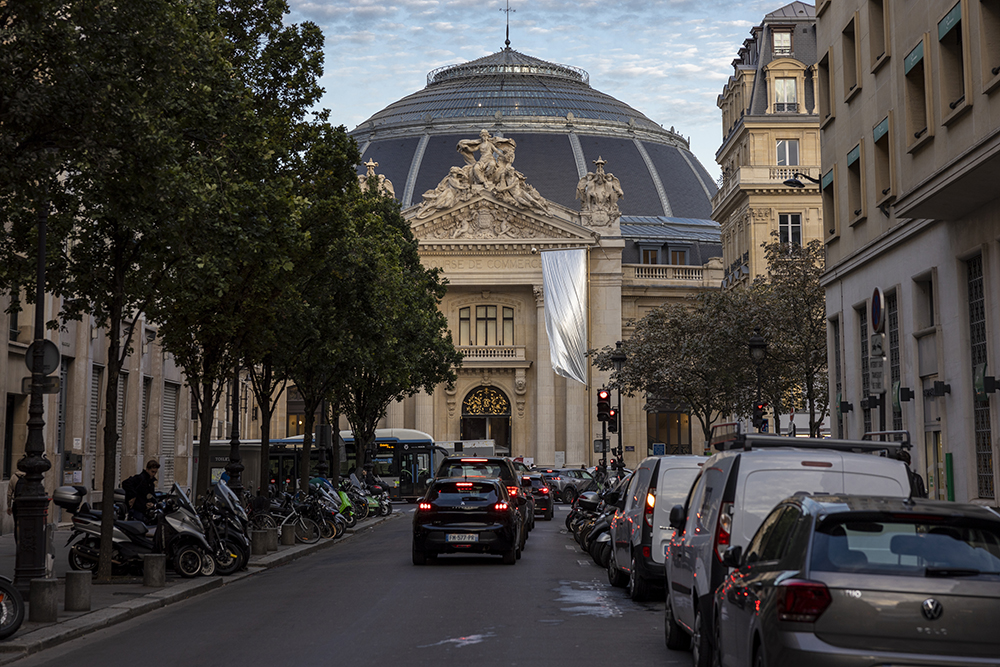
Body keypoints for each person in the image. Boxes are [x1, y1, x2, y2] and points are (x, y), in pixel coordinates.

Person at [6, 472, 23, 544]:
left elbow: (9, 493)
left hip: (16, 503)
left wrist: (9, 506)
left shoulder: (14, 477)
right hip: (27, 504)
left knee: (17, 524)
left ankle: (18, 543)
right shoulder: (30, 475)